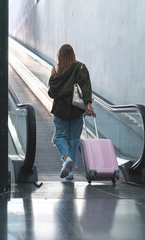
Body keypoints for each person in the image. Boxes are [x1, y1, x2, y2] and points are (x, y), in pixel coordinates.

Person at [47, 44, 96, 180]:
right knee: (74, 139)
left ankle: (66, 159)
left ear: (60, 55)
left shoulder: (56, 69)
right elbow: (86, 87)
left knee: (59, 137)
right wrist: (89, 104)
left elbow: (52, 92)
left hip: (60, 110)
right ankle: (69, 170)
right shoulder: (81, 67)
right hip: (76, 110)